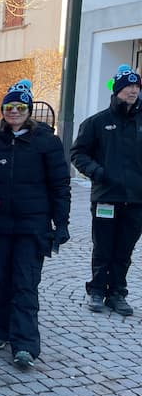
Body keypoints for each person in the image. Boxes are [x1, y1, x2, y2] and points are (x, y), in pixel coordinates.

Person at [0, 80, 71, 369]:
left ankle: (25, 344)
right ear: (2, 110)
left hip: (32, 226)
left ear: (29, 110)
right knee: (0, 279)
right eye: (9, 107)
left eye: (21, 107)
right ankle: (0, 329)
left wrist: (62, 222)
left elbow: (60, 185)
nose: (15, 112)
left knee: (24, 283)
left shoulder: (46, 142)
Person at [71, 64, 142, 316]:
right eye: (128, 86)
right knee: (103, 247)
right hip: (106, 197)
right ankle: (97, 290)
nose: (133, 90)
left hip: (136, 199)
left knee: (124, 250)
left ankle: (117, 293)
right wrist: (98, 172)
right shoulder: (97, 122)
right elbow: (78, 153)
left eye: (136, 86)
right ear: (117, 90)